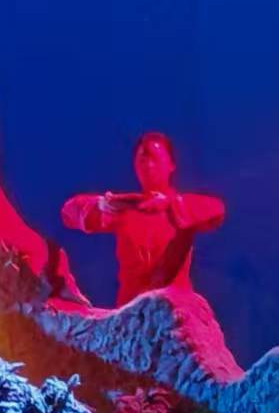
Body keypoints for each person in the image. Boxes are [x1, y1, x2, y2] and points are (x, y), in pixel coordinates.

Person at [60, 130, 226, 306]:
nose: (148, 165)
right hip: (131, 309)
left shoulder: (181, 208)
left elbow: (217, 210)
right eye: (142, 160)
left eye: (154, 159)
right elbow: (68, 213)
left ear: (171, 165)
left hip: (173, 308)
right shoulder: (127, 208)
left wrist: (169, 204)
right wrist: (101, 204)